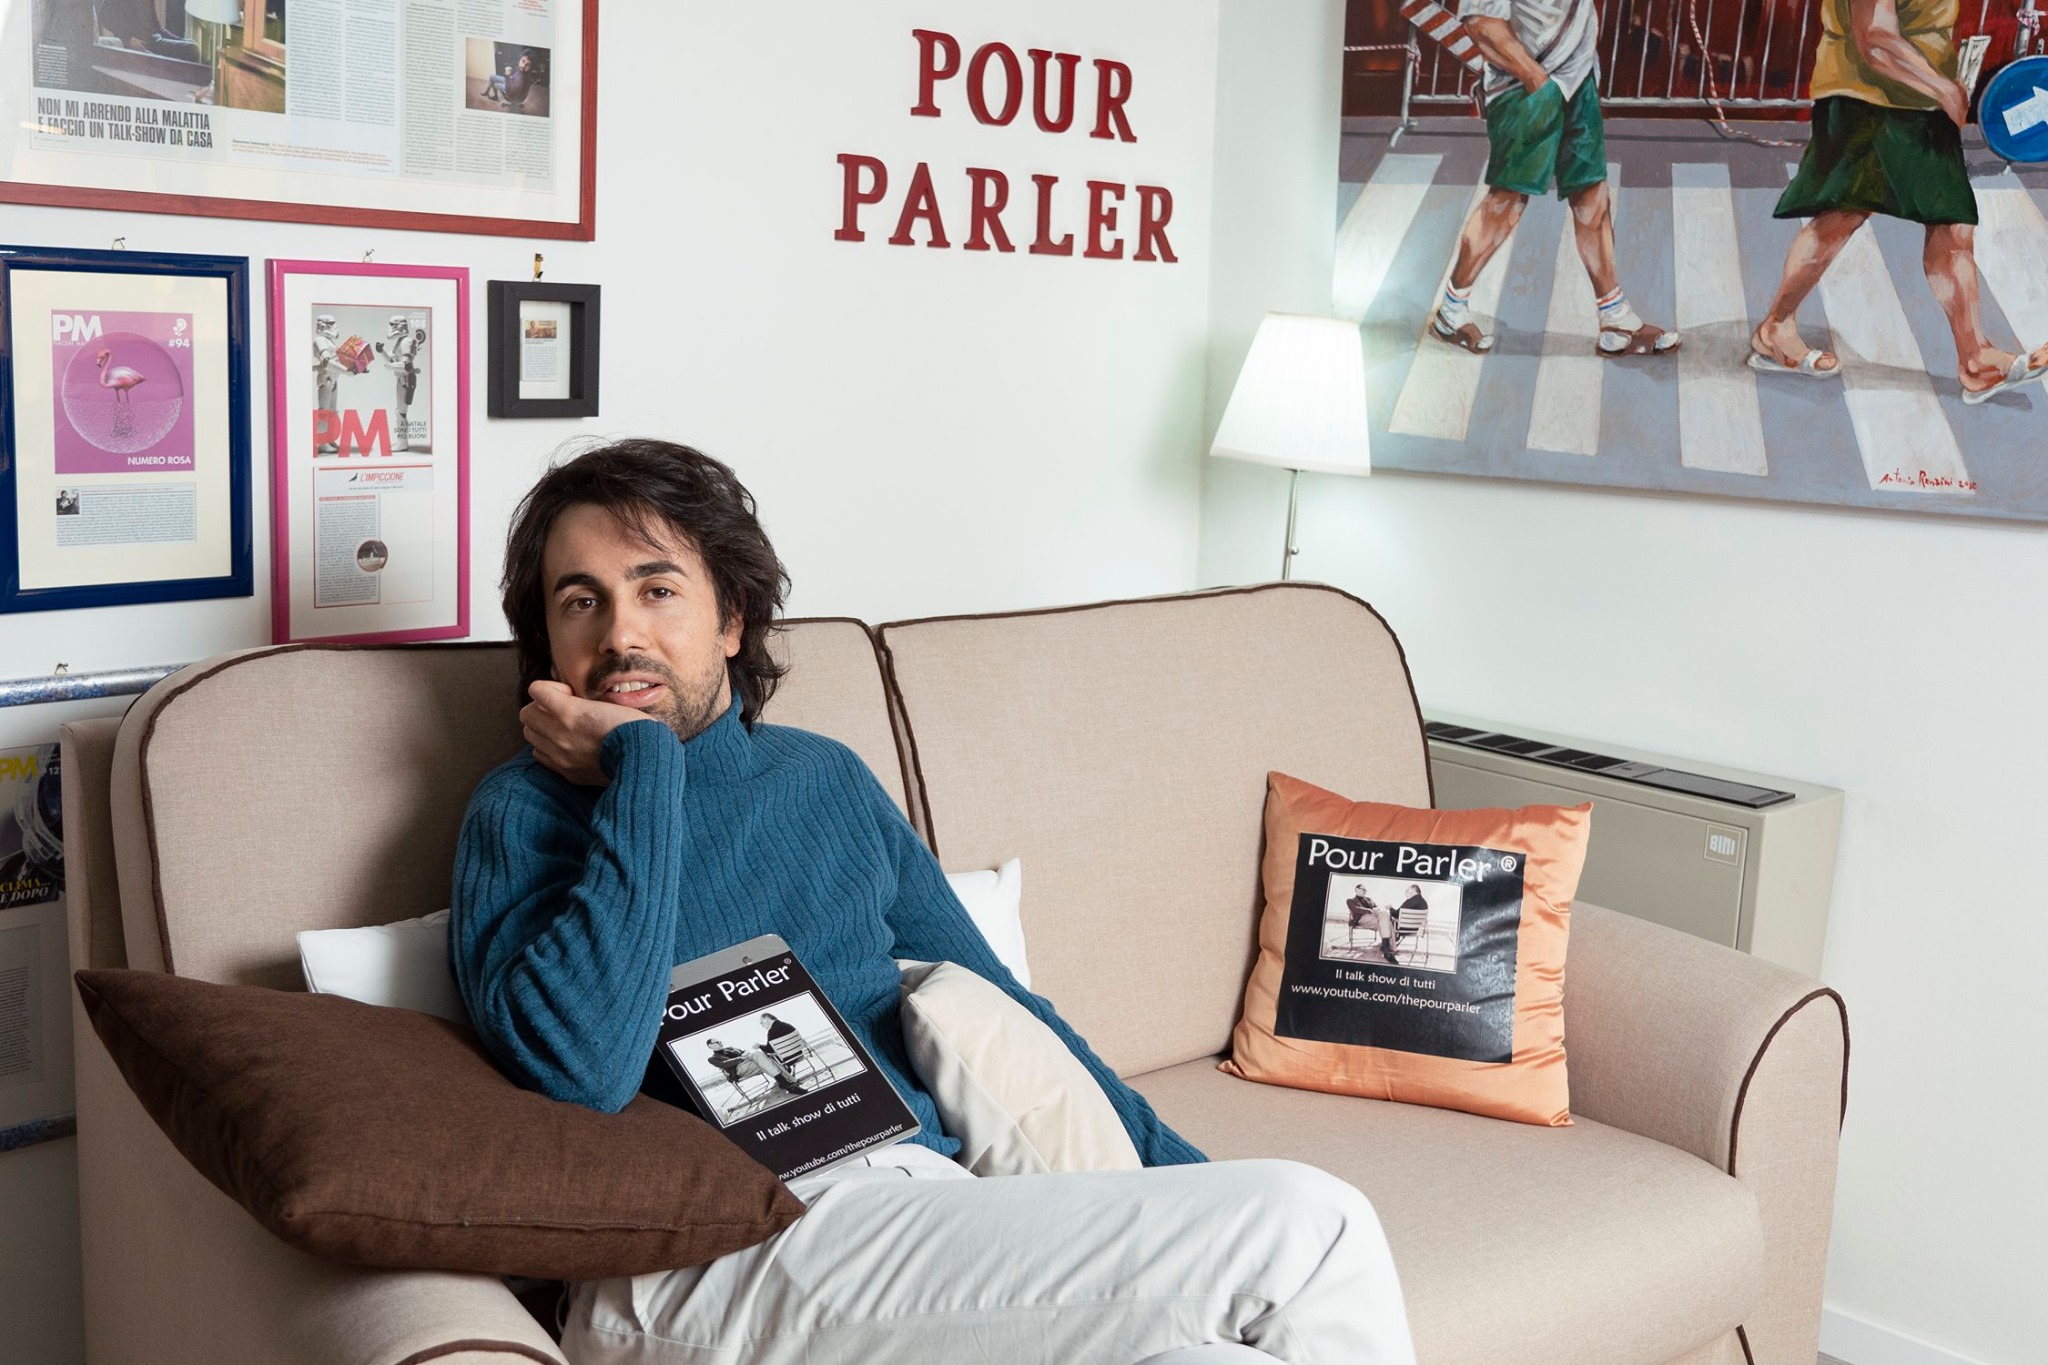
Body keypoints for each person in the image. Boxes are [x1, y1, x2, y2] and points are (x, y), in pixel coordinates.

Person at [451, 439, 1416, 1365]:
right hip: (711, 1258)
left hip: (926, 1207)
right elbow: (582, 1066)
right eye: (582, 601)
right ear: (548, 643)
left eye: (657, 590)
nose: (621, 633)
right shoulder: (519, 814)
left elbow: (1005, 1002)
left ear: (732, 621)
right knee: (1314, 1227)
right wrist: (643, 766)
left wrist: (1187, 1189)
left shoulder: (820, 778)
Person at [1752, 0, 2048, 400]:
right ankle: (1775, 328)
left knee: (1950, 225)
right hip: (1867, 101)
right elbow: (1875, 39)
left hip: (1921, 104)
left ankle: (1976, 359)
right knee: (1840, 218)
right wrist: (1943, 88)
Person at [1437, 0, 1678, 357]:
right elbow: (1481, 23)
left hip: (1578, 82)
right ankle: (1451, 310)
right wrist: (1536, 80)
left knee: (1592, 194)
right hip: (1525, 88)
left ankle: (1614, 315)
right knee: (1506, 203)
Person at [375, 316, 425, 452]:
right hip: (402, 379)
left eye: (393, 325)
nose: (390, 328)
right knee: (400, 412)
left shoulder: (406, 342)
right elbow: (392, 360)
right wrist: (381, 351)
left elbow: (405, 365)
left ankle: (403, 442)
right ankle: (401, 441)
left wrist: (390, 366)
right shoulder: (401, 341)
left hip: (405, 380)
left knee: (401, 413)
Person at [98, 0, 202, 64]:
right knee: (192, 49)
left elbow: (158, 27)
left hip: (156, 39)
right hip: (145, 43)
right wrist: (129, 39)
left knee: (191, 43)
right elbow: (104, 17)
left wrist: (179, 40)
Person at [704, 1037, 806, 1097]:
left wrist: (746, 1053)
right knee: (762, 1057)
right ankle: (788, 1081)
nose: (720, 1043)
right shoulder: (712, 1058)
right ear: (710, 1046)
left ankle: (787, 1085)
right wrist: (741, 1058)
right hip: (738, 1069)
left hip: (749, 1062)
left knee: (765, 1060)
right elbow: (724, 1064)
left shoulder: (730, 1048)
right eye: (717, 1042)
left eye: (720, 1041)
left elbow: (743, 1051)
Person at [311, 315, 341, 454]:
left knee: (332, 411)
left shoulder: (328, 340)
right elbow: (327, 360)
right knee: (324, 411)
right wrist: (347, 371)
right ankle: (322, 442)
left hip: (333, 377)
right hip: (326, 377)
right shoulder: (320, 340)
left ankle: (329, 438)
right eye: (331, 324)